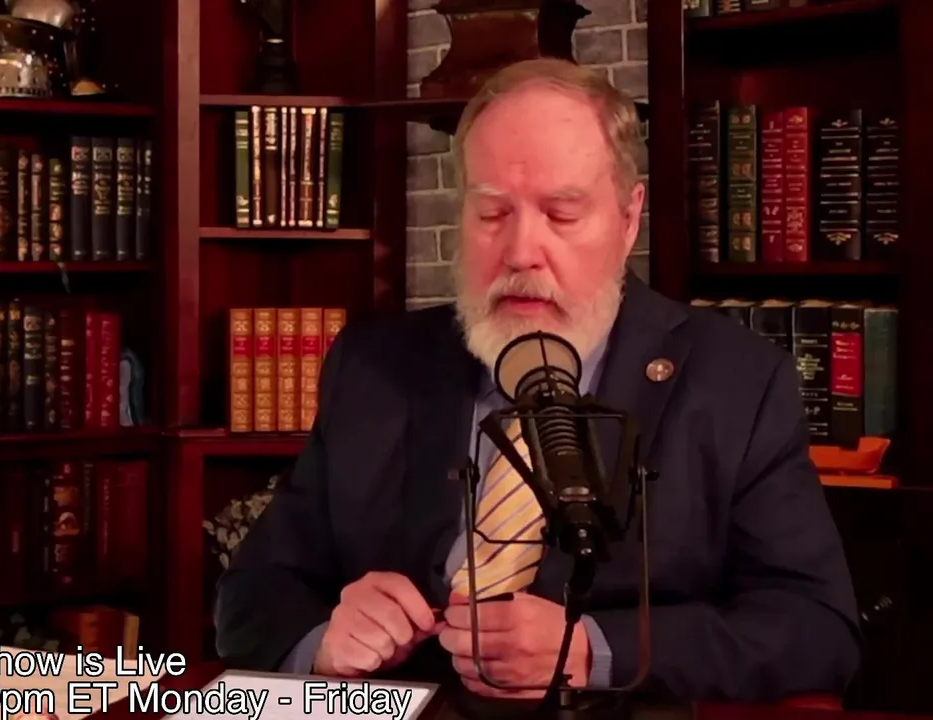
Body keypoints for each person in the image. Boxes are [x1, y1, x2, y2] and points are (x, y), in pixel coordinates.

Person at [212, 58, 860, 702]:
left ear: (628, 218)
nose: (521, 253)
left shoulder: (736, 382)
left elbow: (816, 630)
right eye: (492, 213)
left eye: (562, 214)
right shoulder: (373, 365)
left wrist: (594, 651)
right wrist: (324, 641)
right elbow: (251, 594)